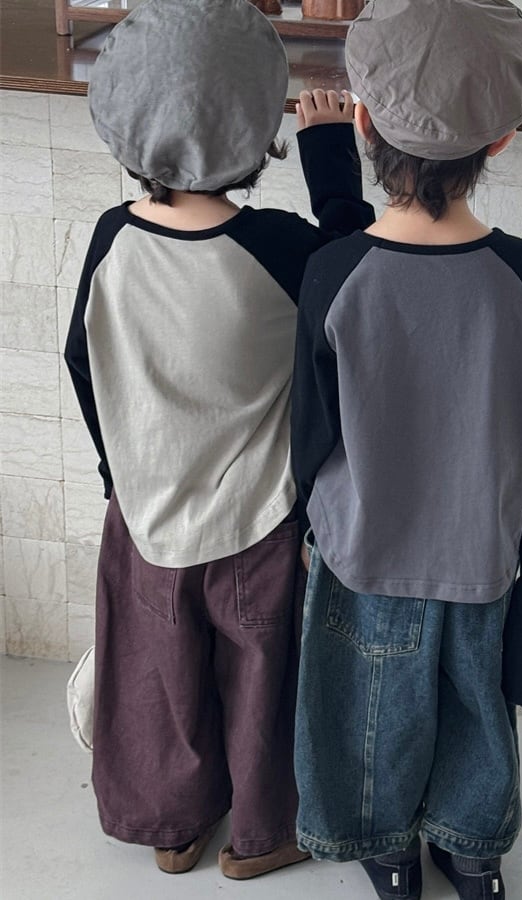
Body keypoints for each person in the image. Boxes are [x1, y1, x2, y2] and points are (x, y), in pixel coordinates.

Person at [64, 0, 373, 880]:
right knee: (260, 680)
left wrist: (117, 471)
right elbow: (357, 280)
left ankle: (172, 826)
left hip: (146, 515)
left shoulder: (112, 238)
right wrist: (329, 155)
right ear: (255, 127)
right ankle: (261, 834)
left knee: (159, 678)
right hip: (257, 521)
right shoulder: (282, 249)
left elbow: (82, 359)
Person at [289, 1, 522, 897]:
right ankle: (474, 853)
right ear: (500, 139)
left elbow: (312, 429)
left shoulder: (336, 272)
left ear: (363, 122)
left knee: (370, 716)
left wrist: (310, 525)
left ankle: (389, 855)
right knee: (477, 705)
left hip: (365, 550)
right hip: (482, 548)